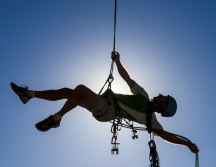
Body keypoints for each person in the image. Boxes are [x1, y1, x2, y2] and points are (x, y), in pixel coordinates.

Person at [10, 51, 198, 154]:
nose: (159, 95)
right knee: (70, 92)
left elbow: (166, 136)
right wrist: (117, 61)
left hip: (108, 111)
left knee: (81, 89)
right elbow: (127, 78)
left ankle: (57, 118)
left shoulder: (151, 120)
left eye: (163, 98)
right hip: (104, 102)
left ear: (163, 107)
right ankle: (29, 94)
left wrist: (187, 144)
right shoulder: (143, 95)